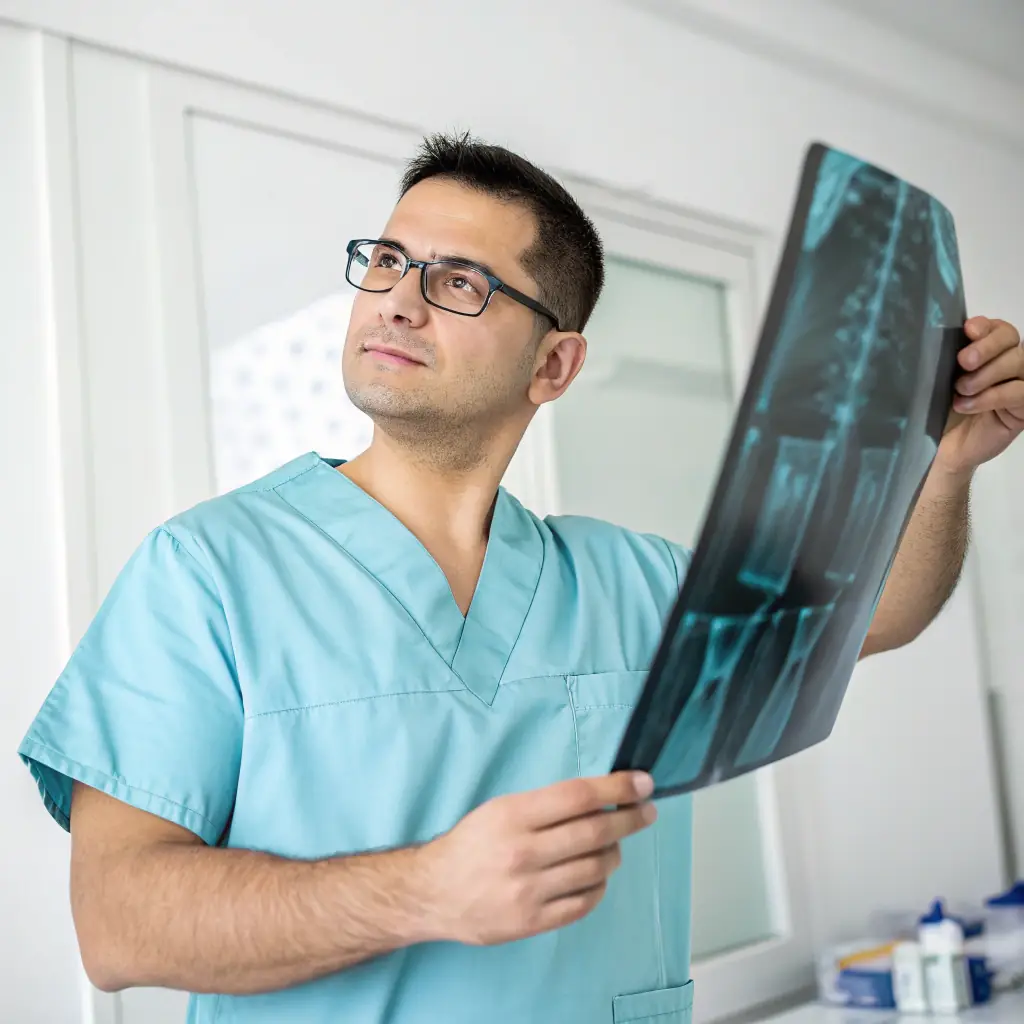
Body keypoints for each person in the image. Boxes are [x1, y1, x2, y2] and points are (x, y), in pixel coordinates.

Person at [18, 132, 1024, 1024]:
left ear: (554, 365)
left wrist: (945, 468)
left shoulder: (633, 583)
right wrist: (421, 892)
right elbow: (117, 924)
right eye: (387, 261)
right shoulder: (205, 571)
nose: (398, 300)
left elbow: (873, 617)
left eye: (459, 281)